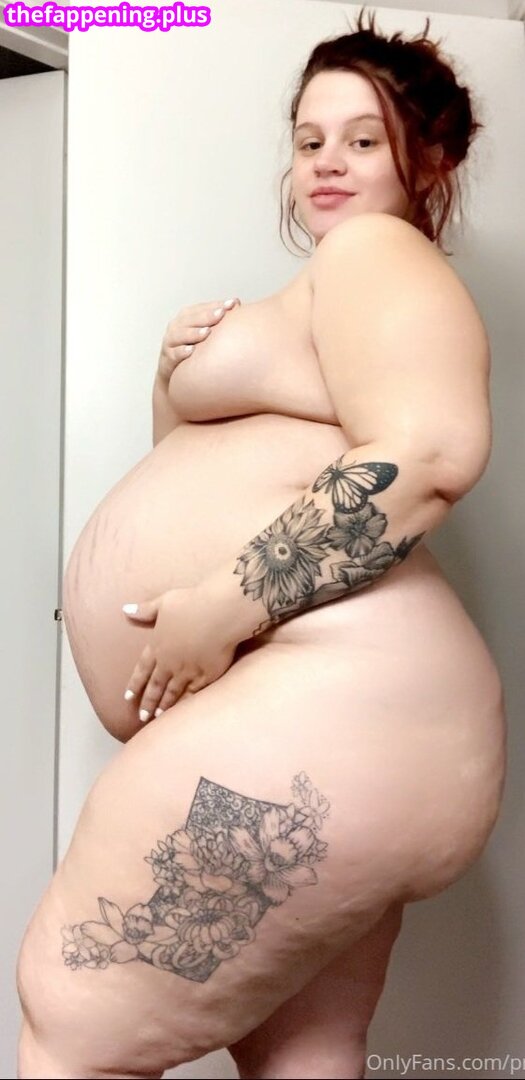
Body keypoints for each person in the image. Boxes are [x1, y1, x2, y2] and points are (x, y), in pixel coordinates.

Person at [17, 8, 506, 1079]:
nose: (327, 162)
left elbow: (430, 452)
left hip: (331, 713)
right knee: (304, 1048)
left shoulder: (376, 253)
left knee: (74, 1027)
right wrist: (173, 381)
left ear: (430, 159)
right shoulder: (333, 285)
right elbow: (229, 481)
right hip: (348, 731)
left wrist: (217, 608)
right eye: (308, 138)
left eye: (363, 139)